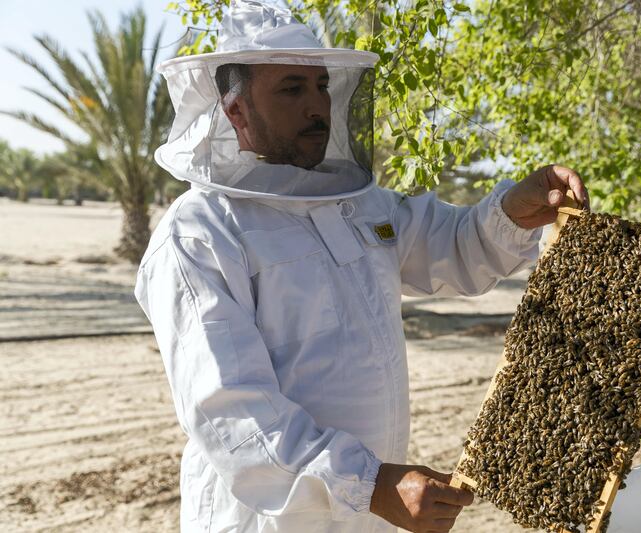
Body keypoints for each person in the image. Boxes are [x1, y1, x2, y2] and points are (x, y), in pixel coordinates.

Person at [134, 1, 589, 532]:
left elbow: (456, 245)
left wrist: (513, 209)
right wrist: (368, 484)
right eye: (291, 89)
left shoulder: (357, 205)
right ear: (235, 111)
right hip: (269, 520)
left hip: (368, 514)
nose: (317, 107)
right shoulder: (200, 233)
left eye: (322, 86)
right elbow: (232, 412)